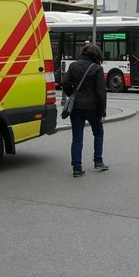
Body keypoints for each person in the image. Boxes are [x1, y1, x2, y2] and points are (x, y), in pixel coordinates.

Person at [62, 43, 108, 177]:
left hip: (76, 107)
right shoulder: (97, 69)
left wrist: (71, 93)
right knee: (98, 133)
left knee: (77, 138)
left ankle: (77, 168)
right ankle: (98, 162)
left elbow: (65, 83)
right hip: (92, 108)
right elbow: (101, 93)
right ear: (96, 55)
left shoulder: (73, 65)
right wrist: (102, 112)